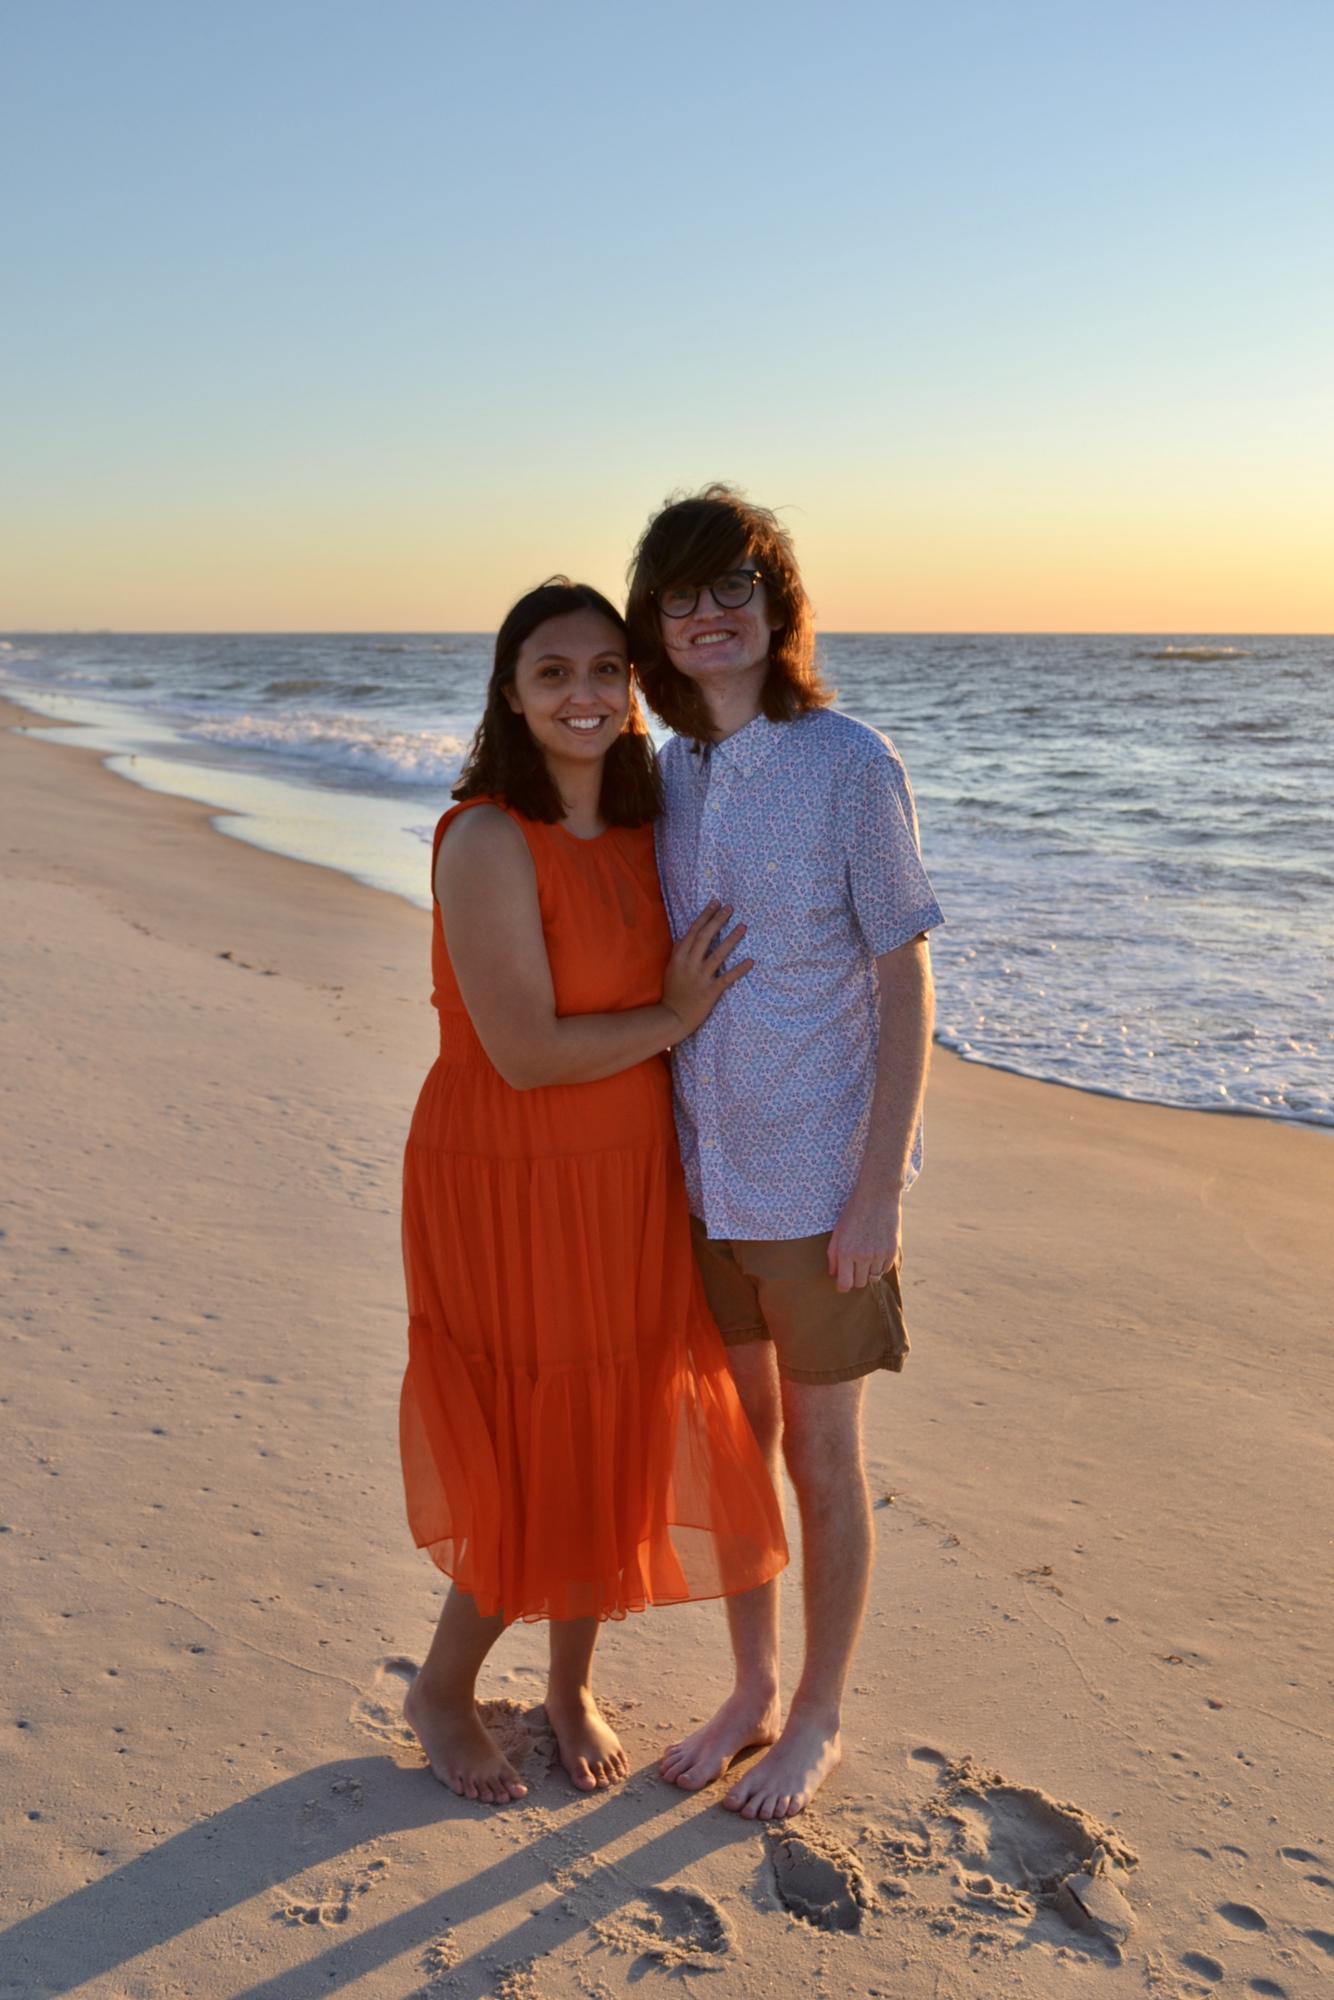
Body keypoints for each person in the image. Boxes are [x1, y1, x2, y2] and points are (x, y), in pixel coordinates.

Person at [399, 577, 788, 1805]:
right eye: (553, 671)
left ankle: (567, 1684)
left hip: (628, 1166)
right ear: (511, 695)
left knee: (615, 1425)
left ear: (634, 690)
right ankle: (444, 1685)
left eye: (607, 670)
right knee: (527, 1442)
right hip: (505, 1171)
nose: (585, 693)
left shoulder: (640, 831)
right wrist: (673, 1015)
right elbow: (519, 1049)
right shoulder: (482, 835)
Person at [626, 488, 943, 1820]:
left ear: (774, 604)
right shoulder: (665, 773)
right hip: (704, 1182)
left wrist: (879, 1187)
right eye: (682, 594)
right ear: (656, 621)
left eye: (733, 587)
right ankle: (751, 1688)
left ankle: (816, 1715)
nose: (708, 613)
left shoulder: (846, 761)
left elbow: (904, 975)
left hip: (821, 1191)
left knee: (819, 1456)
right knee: (735, 1449)